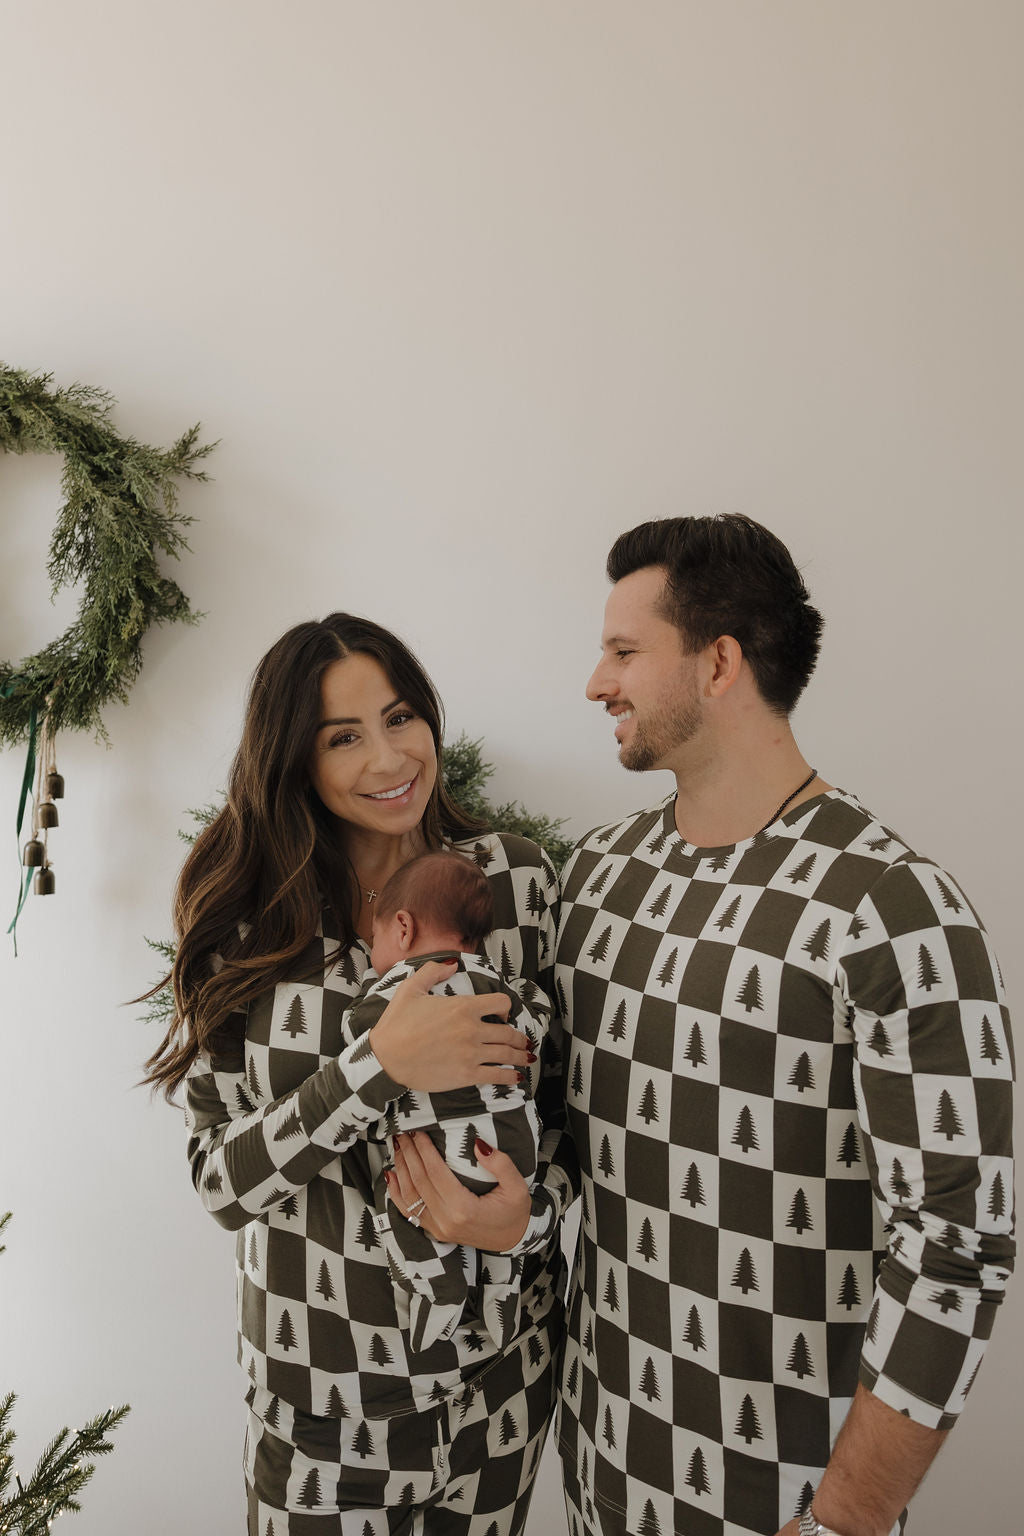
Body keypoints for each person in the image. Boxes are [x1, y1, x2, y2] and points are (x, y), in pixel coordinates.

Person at [550, 516, 1014, 1536]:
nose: (596, 682)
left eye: (625, 652)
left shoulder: (890, 906)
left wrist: (847, 1519)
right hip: (598, 1477)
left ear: (718, 663)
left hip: (788, 1506)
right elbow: (565, 1156)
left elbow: (957, 1248)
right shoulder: (595, 877)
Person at [143, 613, 565, 1536]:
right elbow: (220, 1184)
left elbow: (578, 1135)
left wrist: (530, 1217)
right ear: (294, 758)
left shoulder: (516, 885)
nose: (389, 758)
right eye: (344, 737)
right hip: (322, 1422)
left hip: (502, 1390)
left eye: (402, 716)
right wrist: (377, 1065)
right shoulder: (244, 921)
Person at [344, 850, 546, 1355]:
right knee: (502, 1230)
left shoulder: (394, 989)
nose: (375, 954)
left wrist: (370, 994)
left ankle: (440, 1291)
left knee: (399, 1208)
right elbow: (532, 1030)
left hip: (439, 1152)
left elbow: (358, 1036)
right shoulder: (497, 985)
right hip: (510, 1153)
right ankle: (501, 1293)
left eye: (375, 939)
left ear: (403, 929)